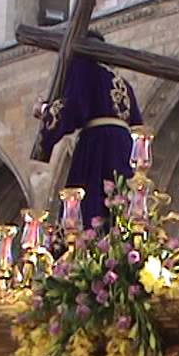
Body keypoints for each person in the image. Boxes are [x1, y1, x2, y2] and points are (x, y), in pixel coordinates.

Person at [33, 29, 144, 228]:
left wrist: (44, 110)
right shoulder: (124, 83)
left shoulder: (85, 69)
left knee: (89, 210)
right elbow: (139, 127)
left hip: (97, 147)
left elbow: (75, 109)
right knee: (124, 211)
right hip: (125, 150)